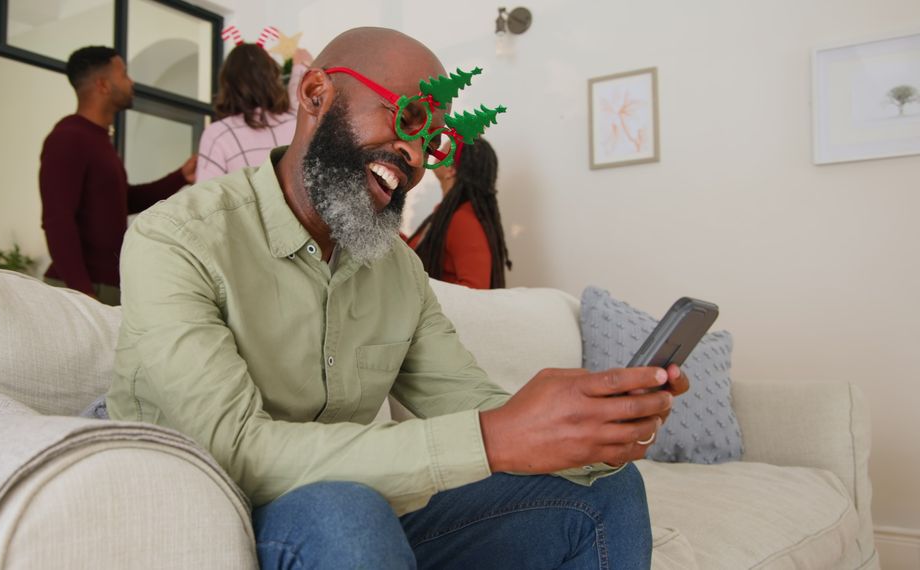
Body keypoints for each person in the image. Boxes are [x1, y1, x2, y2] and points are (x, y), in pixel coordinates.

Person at [108, 27, 687, 569]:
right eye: (407, 118)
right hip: (221, 509)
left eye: (432, 141)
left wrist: (590, 426)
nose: (415, 155)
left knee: (605, 489)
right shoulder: (174, 239)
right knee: (347, 513)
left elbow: (468, 402)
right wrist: (495, 438)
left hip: (360, 514)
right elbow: (236, 450)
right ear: (315, 93)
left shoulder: (397, 272)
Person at [39, 46, 197, 305]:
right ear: (102, 85)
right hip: (83, 290)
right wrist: (82, 292)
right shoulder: (68, 138)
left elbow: (124, 200)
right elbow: (57, 219)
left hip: (105, 286)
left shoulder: (97, 139)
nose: (131, 82)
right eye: (124, 74)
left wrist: (180, 176)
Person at [194, 44, 312, 182]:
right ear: (273, 77)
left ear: (227, 84)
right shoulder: (296, 121)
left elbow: (207, 196)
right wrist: (301, 65)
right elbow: (299, 97)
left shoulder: (218, 135)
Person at [406, 137, 511, 289]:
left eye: (443, 150)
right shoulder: (447, 215)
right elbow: (416, 252)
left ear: (451, 170)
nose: (437, 151)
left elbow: (476, 290)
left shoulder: (463, 221)